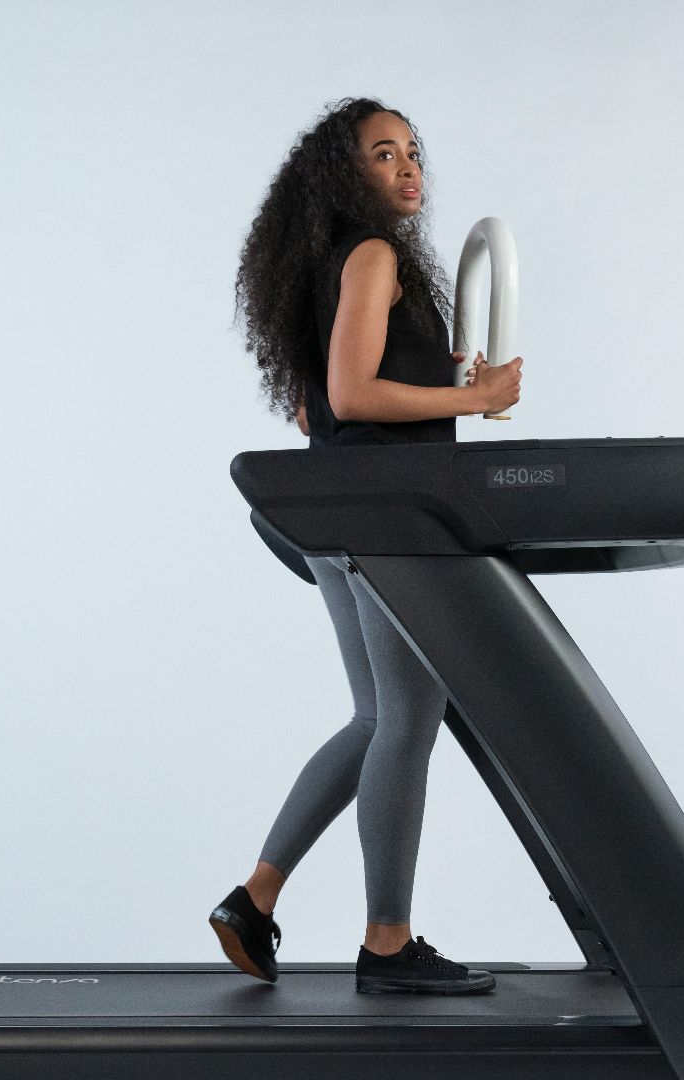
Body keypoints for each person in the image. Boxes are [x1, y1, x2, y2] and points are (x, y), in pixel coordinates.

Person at [214, 97, 522, 996]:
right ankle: (387, 945)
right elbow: (352, 397)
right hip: (384, 523)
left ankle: (253, 898)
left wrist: (443, 380)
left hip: (343, 517)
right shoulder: (374, 255)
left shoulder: (336, 266)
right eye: (384, 154)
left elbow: (325, 399)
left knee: (375, 718)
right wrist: (476, 397)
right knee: (409, 719)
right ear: (345, 177)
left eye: (414, 151)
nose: (408, 166)